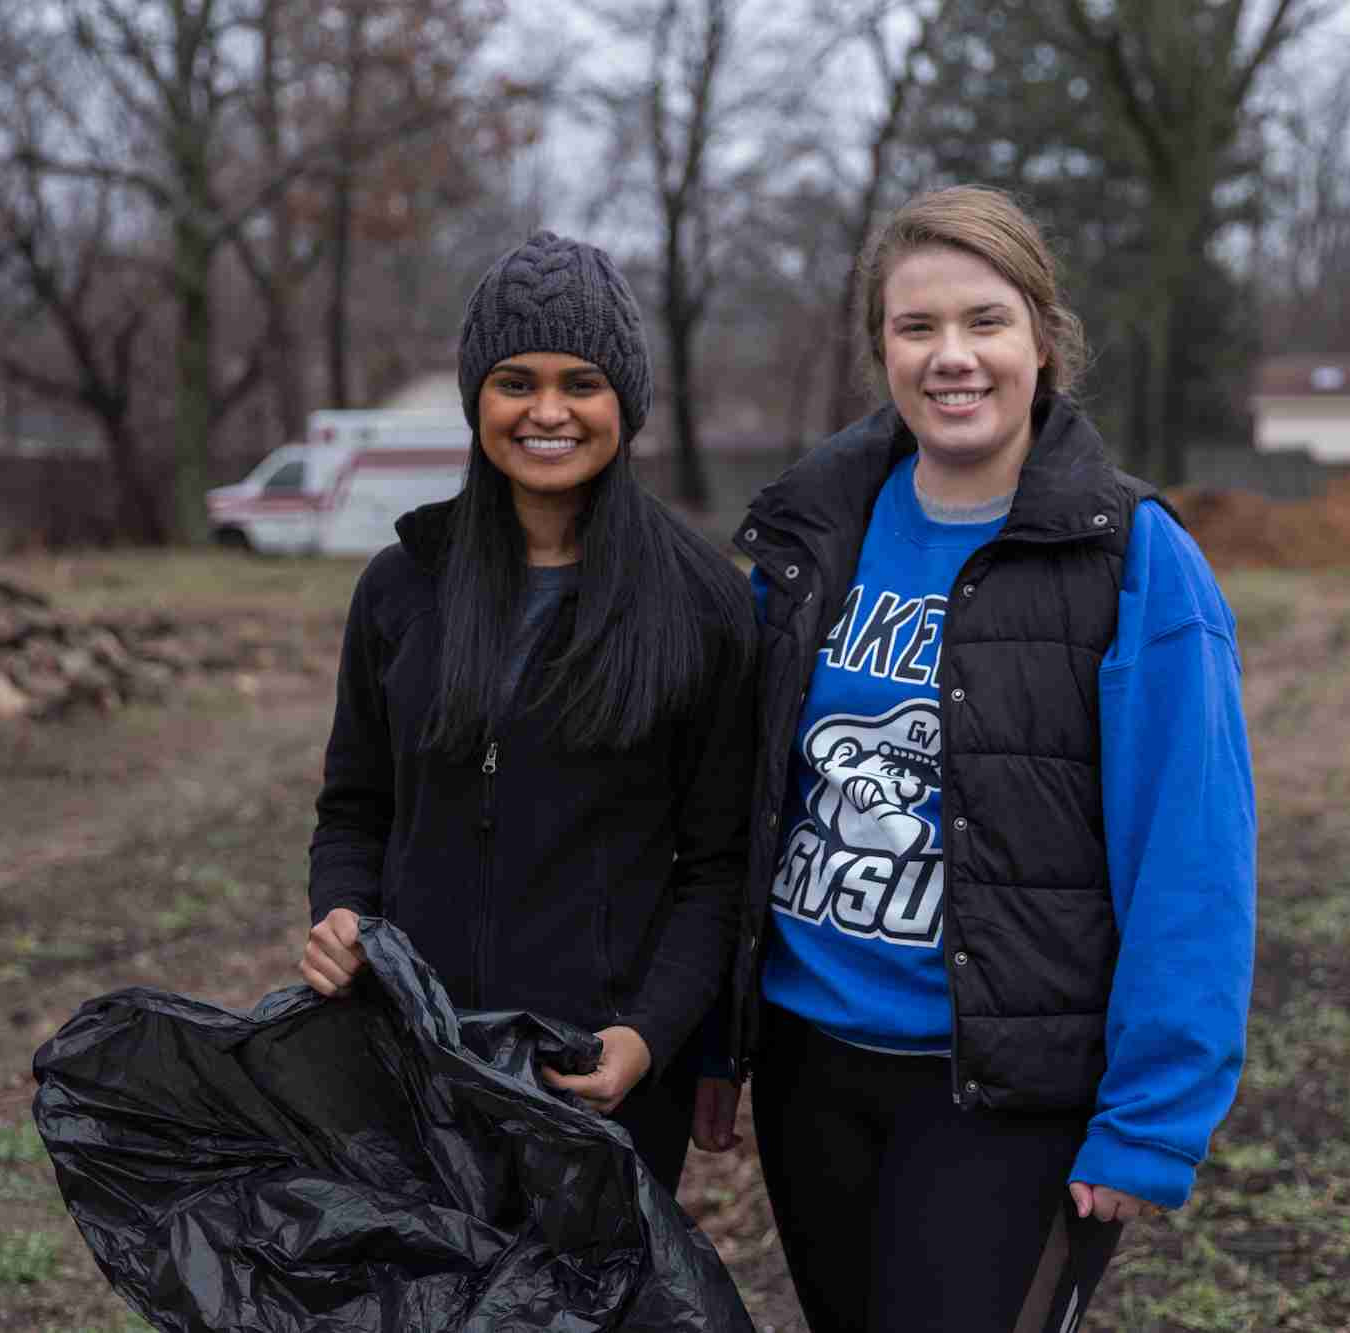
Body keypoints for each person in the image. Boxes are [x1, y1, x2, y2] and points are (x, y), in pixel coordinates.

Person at [693, 186, 1256, 1331]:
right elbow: (742, 807)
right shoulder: (809, 535)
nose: (952, 357)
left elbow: (1191, 854)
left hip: (1001, 1089)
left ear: (1042, 340)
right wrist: (721, 1036)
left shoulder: (1130, 556)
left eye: (985, 322)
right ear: (880, 351)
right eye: (916, 327)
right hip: (811, 1070)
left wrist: (1151, 1115)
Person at [299, 230, 756, 1195]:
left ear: (624, 402)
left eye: (580, 383)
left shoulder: (703, 604)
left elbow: (718, 868)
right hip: (413, 1059)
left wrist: (647, 1035)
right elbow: (354, 809)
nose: (547, 412)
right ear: (478, 400)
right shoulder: (399, 588)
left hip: (596, 1078)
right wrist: (339, 914)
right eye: (515, 381)